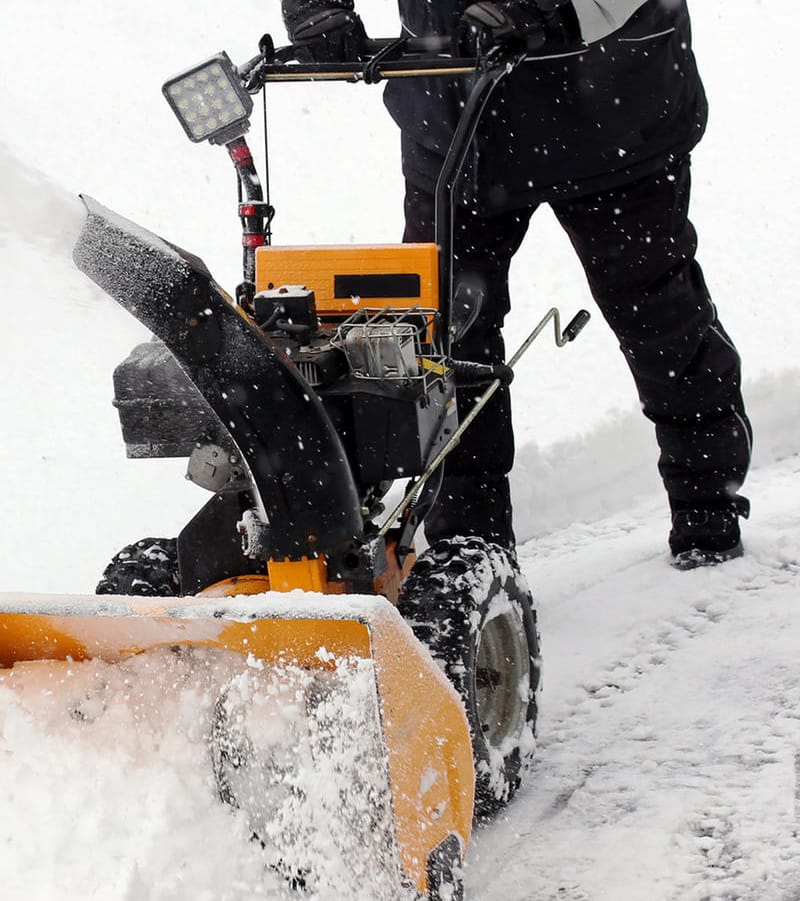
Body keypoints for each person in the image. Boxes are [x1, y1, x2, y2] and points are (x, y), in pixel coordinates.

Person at [281, 0, 753, 568]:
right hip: (453, 112)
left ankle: (708, 509)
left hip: (611, 109)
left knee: (656, 313)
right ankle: (470, 556)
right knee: (445, 339)